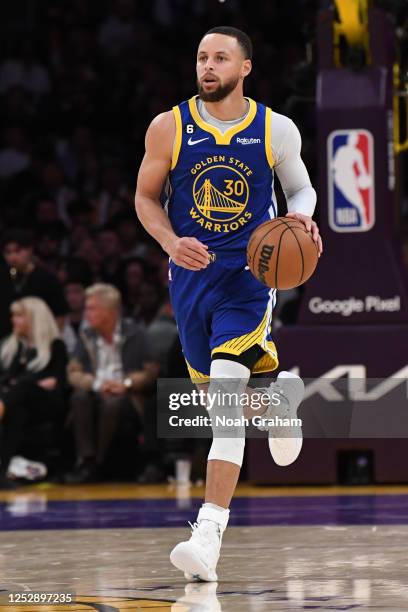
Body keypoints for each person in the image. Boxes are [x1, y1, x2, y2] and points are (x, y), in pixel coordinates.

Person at [135, 26, 323, 581]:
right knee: (225, 400)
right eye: (201, 57)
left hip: (248, 278)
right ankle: (281, 404)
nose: (208, 66)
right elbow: (145, 198)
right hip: (191, 281)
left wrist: (300, 217)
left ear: (245, 68)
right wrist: (171, 242)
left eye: (220, 58)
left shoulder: (274, 128)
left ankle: (208, 533)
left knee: (221, 403)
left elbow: (302, 188)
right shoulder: (169, 127)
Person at [66, 283, 160, 483]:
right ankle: (87, 460)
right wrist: (97, 384)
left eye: (92, 308)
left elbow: (152, 371)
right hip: (95, 390)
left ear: (110, 311)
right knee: (79, 397)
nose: (86, 313)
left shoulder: (136, 333)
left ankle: (98, 462)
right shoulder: (86, 335)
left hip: (129, 395)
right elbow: (73, 372)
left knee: (113, 403)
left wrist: (126, 384)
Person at [0, 297, 68, 488]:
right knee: (18, 411)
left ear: (35, 318)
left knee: (23, 388)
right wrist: (29, 382)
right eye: (13, 315)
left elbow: (55, 383)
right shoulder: (11, 346)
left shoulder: (55, 346)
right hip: (18, 405)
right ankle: (2, 471)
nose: (14, 320)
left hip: (47, 405)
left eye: (20, 316)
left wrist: (22, 383)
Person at [2, 229, 69, 329]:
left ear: (30, 250)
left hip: (39, 337)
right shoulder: (3, 278)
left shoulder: (47, 279)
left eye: (18, 250)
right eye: (8, 252)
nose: (13, 256)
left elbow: (59, 314)